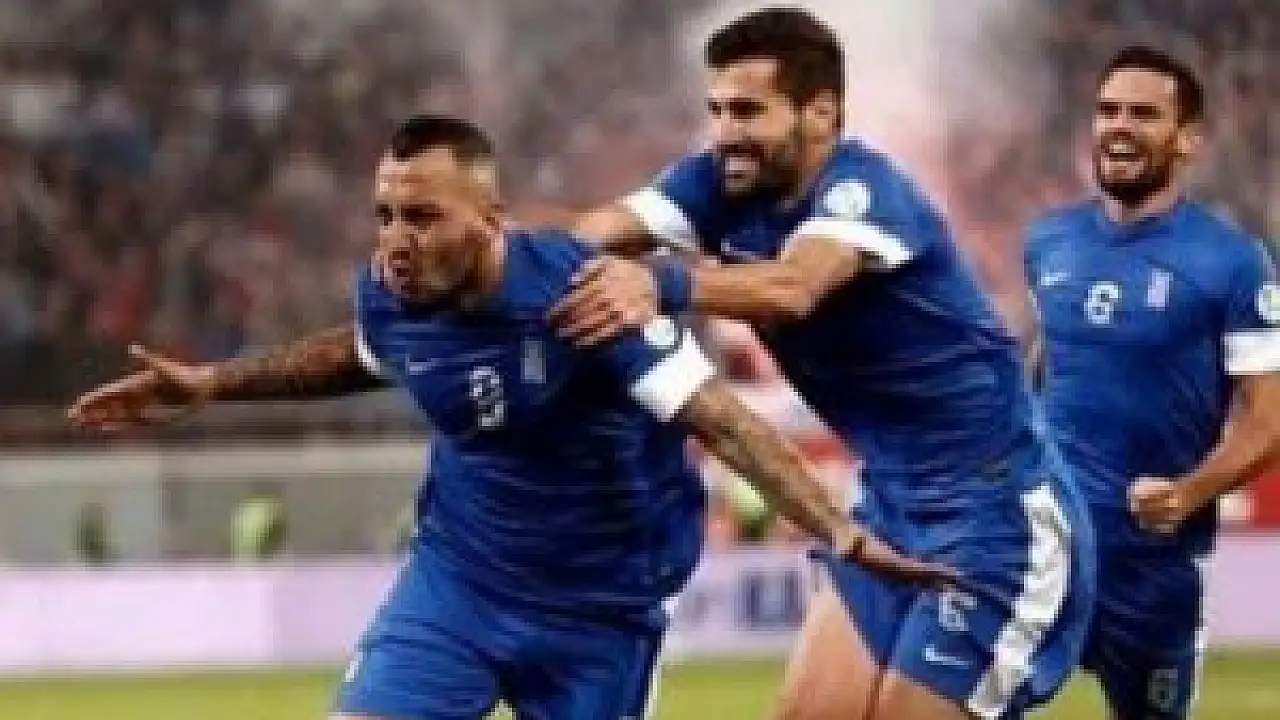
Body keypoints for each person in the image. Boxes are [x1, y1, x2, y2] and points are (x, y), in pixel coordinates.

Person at [68, 114, 954, 720]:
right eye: (385, 215)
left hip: (601, 610)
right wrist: (212, 384)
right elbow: (360, 355)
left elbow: (723, 423)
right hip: (460, 585)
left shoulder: (585, 294)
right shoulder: (393, 295)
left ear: (490, 219)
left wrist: (840, 532)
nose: (396, 241)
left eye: (422, 217)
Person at [552, 8, 1095, 720]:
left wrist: (660, 284)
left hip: (998, 514)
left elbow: (793, 288)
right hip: (891, 505)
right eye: (718, 110)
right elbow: (593, 232)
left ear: (820, 112)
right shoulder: (716, 183)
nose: (726, 132)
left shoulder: (865, 191)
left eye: (749, 111)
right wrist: (510, 266)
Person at [1024, 46, 1280, 719]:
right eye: (1108, 110)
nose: (1120, 126)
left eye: (1143, 114)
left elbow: (1269, 419)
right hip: (1045, 548)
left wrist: (1188, 493)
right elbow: (1044, 364)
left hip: (1152, 568)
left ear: (1187, 138)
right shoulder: (1049, 241)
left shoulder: (1234, 263)